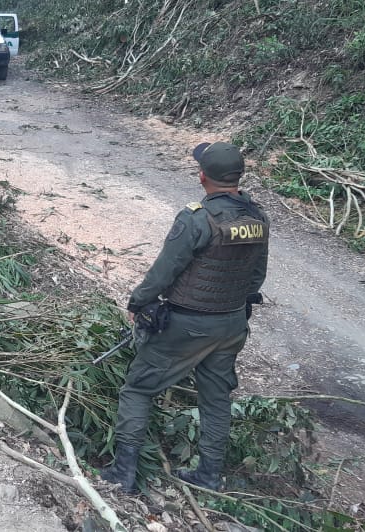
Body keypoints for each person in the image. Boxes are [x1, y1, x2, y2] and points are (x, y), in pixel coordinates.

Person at [102, 141, 269, 494]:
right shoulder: (257, 218)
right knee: (216, 398)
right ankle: (209, 475)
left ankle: (123, 474)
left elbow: (164, 272)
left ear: (202, 176)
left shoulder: (197, 217)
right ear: (237, 177)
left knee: (138, 388)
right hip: (231, 324)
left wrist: (138, 304)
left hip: (188, 325)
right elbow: (256, 278)